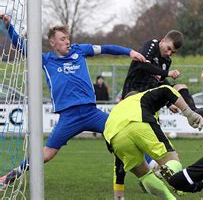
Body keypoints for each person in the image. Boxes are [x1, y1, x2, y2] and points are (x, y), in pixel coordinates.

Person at [0, 15, 146, 189]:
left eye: (68, 38)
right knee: (46, 155)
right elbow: (22, 47)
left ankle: (151, 170)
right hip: (69, 117)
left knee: (126, 132)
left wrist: (129, 52)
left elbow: (106, 48)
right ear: (53, 43)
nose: (67, 41)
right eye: (62, 39)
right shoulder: (46, 60)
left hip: (91, 113)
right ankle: (11, 175)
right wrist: (9, 27)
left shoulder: (80, 50)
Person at [104, 86, 203, 200]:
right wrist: (190, 114)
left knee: (144, 175)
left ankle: (170, 198)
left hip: (113, 136)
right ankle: (165, 171)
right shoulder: (140, 97)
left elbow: (118, 166)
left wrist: (118, 195)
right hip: (138, 121)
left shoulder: (116, 110)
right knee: (172, 159)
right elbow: (167, 89)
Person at [121, 30, 203, 120]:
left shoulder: (166, 61)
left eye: (173, 52)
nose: (169, 53)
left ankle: (194, 111)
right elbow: (144, 66)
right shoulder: (151, 45)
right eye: (168, 48)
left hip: (149, 97)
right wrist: (168, 73)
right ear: (163, 41)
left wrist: (169, 103)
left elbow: (161, 83)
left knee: (180, 87)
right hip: (133, 94)